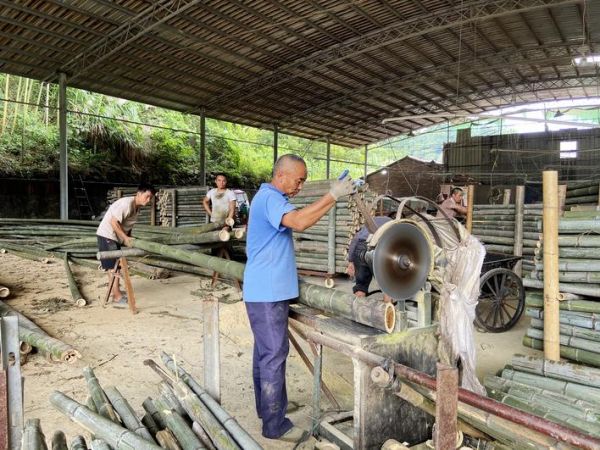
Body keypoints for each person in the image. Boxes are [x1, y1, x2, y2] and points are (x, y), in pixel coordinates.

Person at [242, 154, 354, 442]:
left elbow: (304, 218)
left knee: (265, 354)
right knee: (273, 356)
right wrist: (333, 195)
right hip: (267, 294)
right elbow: (301, 222)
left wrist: (333, 197)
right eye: (299, 179)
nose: (300, 186)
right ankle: (274, 424)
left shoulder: (269, 197)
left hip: (267, 291)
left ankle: (268, 409)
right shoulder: (270, 198)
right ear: (281, 175)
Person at [96, 183, 155, 308]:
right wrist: (125, 238)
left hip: (114, 237)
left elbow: (126, 224)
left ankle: (115, 291)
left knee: (116, 265)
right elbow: (114, 222)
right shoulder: (126, 204)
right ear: (139, 193)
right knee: (113, 266)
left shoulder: (137, 207)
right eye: (147, 196)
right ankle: (116, 296)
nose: (149, 200)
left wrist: (129, 238)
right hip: (108, 235)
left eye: (151, 198)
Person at [346, 214, 394, 297]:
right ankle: (386, 308)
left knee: (361, 286)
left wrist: (351, 261)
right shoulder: (393, 223)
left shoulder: (372, 220)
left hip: (360, 248)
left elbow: (355, 239)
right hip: (377, 248)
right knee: (387, 284)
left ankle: (360, 307)